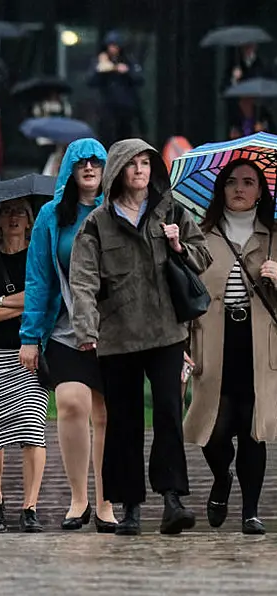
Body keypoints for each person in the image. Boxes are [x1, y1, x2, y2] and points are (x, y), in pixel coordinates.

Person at [70, 138, 212, 536]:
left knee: (168, 411)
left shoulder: (171, 211)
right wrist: (86, 329)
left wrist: (178, 245)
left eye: (145, 163)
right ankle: (129, 507)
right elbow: (81, 280)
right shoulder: (96, 223)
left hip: (167, 331)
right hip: (117, 338)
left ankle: (172, 500)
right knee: (124, 421)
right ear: (116, 171)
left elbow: (203, 257)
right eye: (131, 164)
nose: (140, 170)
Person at [19, 138, 117, 533]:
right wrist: (30, 334)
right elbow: (39, 276)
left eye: (97, 162)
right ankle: (79, 499)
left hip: (113, 330)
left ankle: (107, 500)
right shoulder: (50, 216)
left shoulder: (118, 210)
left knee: (107, 414)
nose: (90, 168)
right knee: (71, 403)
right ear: (70, 169)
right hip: (65, 328)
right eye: (82, 162)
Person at [184, 159, 277, 535]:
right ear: (220, 189)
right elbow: (185, 293)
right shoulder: (201, 236)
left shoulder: (273, 236)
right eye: (232, 182)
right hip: (213, 341)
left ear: (261, 191)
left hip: (258, 345)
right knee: (214, 428)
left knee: (253, 428)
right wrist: (181, 344)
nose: (240, 188)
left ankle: (251, 511)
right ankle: (222, 477)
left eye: (249, 182)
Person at [0, 199, 49, 533]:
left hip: (31, 355)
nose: (14, 218)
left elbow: (47, 299)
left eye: (20, 213)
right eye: (6, 213)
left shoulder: (40, 255)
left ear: (31, 221)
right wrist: (27, 302)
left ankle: (29, 506)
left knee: (33, 429)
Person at [88, 31, 145, 145]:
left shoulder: (128, 60)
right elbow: (90, 81)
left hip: (125, 108)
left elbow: (139, 78)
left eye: (115, 46)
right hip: (107, 108)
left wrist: (126, 71)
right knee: (107, 137)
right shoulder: (100, 61)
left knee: (125, 138)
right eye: (110, 46)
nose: (113, 49)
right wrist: (102, 71)